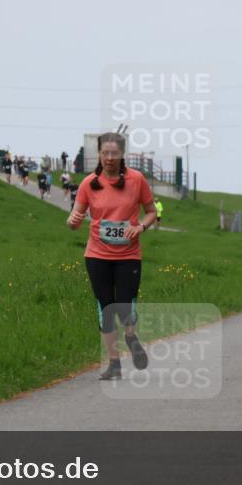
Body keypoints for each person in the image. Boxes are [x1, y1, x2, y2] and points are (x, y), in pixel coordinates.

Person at [67, 132, 157, 381]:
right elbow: (74, 219)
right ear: (98, 154)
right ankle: (114, 363)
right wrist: (72, 221)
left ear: (122, 154)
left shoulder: (136, 180)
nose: (109, 158)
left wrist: (140, 227)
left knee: (125, 305)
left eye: (114, 153)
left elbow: (151, 211)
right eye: (104, 153)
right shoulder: (88, 184)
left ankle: (130, 336)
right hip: (97, 255)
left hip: (129, 255)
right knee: (105, 308)